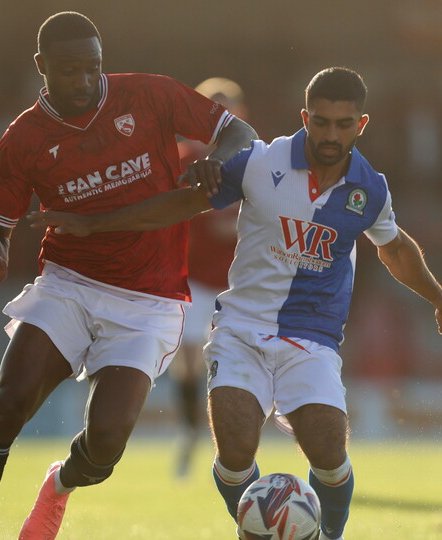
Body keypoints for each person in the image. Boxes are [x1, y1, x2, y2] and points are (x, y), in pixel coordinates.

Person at [29, 66, 442, 540]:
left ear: (361, 125)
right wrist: (96, 223)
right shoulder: (260, 161)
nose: (331, 134)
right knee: (236, 450)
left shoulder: (369, 189)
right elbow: (180, 204)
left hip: (312, 336)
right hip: (241, 328)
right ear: (305, 117)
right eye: (321, 122)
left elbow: (395, 247)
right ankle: (259, 530)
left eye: (344, 125)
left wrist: (440, 299)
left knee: (327, 448)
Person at [0, 11, 257, 540]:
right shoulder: (23, 139)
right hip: (68, 284)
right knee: (6, 408)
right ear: (41, 66)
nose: (85, 80)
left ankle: (59, 486)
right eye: (69, 70)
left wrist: (216, 162)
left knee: (107, 440)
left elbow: (239, 132)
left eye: (92, 67)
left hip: (149, 300)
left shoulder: (150, 95)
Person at [172, 77, 247, 478]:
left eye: (226, 106)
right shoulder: (184, 158)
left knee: (240, 358)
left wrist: (236, 226)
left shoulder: (253, 158)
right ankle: (189, 431)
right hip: (195, 278)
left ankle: (238, 441)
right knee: (187, 359)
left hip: (240, 280)